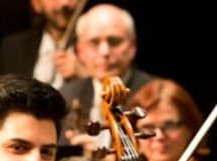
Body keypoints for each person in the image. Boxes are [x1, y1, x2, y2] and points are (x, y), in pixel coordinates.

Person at [59, 3, 153, 145]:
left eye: (114, 41)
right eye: (94, 42)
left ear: (133, 47)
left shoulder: (153, 96)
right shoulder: (67, 95)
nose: (104, 52)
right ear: (79, 51)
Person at [0, 0, 83, 89]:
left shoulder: (92, 44)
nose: (64, 3)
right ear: (36, 4)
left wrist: (83, 74)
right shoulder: (13, 47)